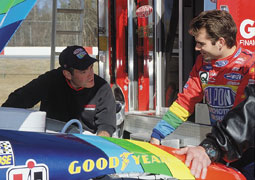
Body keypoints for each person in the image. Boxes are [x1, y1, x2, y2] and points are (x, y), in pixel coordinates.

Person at [150, 9, 255, 144]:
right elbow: (186, 102)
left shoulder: (248, 65)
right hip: (221, 143)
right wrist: (158, 134)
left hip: (246, 148)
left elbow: (241, 115)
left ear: (220, 42)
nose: (196, 48)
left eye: (201, 43)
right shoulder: (202, 63)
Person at [2, 45, 116, 137]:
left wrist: (99, 147)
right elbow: (16, 101)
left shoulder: (102, 88)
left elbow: (106, 126)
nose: (91, 75)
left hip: (87, 145)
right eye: (84, 71)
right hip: (52, 144)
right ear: (67, 74)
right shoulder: (50, 80)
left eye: (91, 67)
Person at [175, 84, 255, 179]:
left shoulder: (246, 70)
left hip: (237, 143)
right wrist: (158, 133)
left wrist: (212, 147)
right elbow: (185, 100)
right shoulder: (201, 70)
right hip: (230, 142)